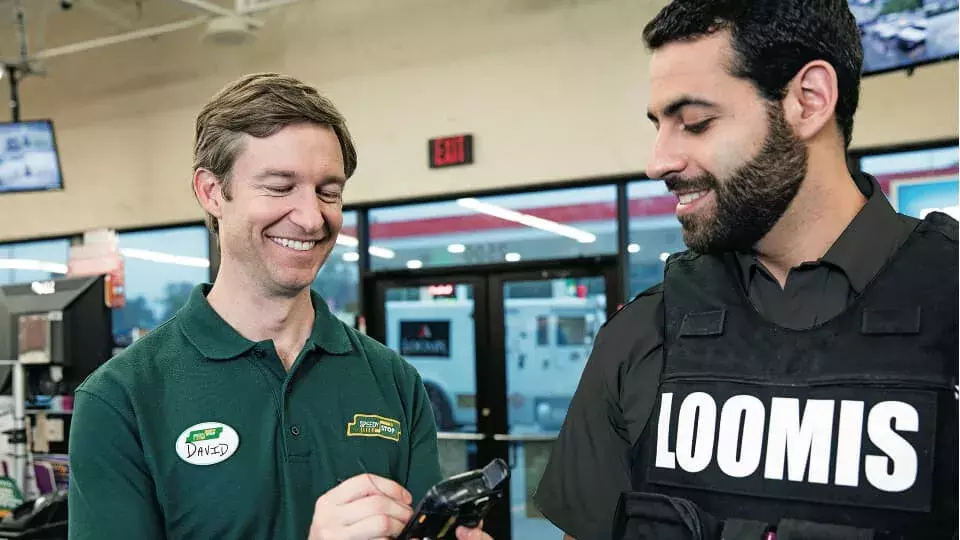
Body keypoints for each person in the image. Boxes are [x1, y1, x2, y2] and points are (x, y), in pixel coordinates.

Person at [534, 1, 958, 539]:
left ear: (809, 101)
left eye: (695, 122)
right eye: (660, 125)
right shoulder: (642, 336)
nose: (658, 161)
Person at [67, 73, 491, 540]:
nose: (311, 217)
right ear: (211, 192)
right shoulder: (120, 399)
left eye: (328, 191)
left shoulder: (394, 382)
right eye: (279, 186)